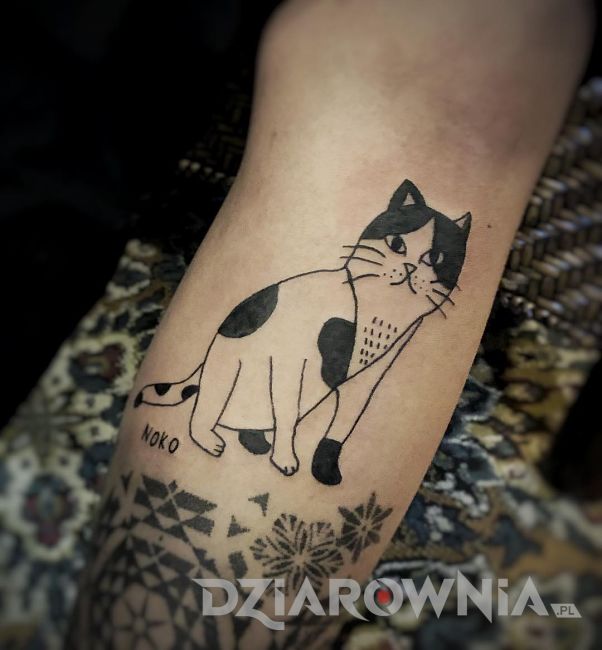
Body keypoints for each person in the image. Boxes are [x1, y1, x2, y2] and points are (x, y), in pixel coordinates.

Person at [68, 0, 593, 647]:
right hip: (245, 361)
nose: (409, 267)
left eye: (429, 261)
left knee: (437, 116)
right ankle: (209, 430)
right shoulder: (331, 290)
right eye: (398, 246)